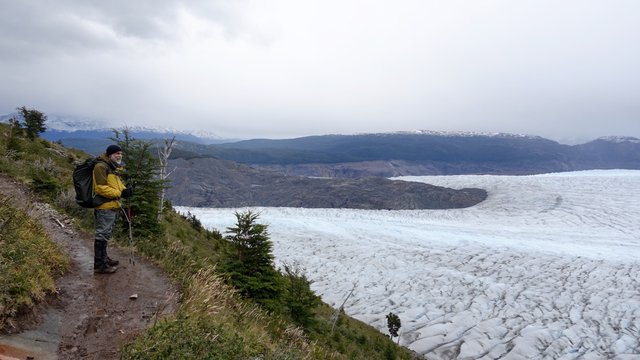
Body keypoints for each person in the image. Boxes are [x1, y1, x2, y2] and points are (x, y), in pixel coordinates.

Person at [92, 144, 133, 274]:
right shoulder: (100, 167)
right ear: (110, 155)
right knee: (102, 233)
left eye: (121, 153)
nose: (119, 155)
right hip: (105, 206)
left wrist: (125, 190)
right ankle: (99, 265)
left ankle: (104, 259)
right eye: (117, 153)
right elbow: (100, 188)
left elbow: (116, 184)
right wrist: (120, 194)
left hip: (112, 205)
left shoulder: (112, 167)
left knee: (106, 233)